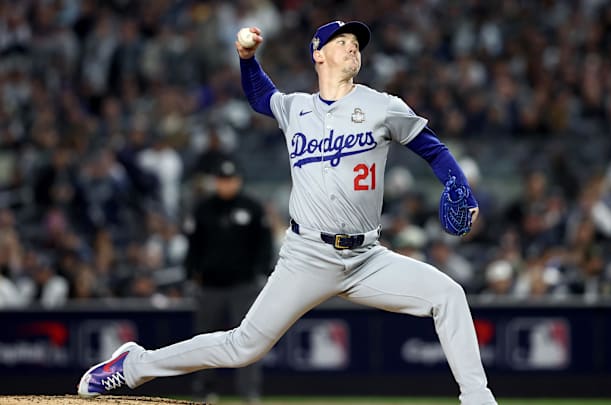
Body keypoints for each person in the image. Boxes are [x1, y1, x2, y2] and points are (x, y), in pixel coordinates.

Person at [78, 20, 498, 405]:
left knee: (448, 294)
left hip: (368, 257)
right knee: (243, 347)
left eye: (357, 44)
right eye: (343, 42)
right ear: (318, 53)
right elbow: (262, 96)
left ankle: (478, 398)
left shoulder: (382, 106)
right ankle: (132, 366)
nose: (353, 48)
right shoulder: (296, 108)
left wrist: (458, 183)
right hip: (308, 256)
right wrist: (247, 58)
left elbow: (433, 148)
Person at [184, 156, 272, 403]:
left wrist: (261, 273)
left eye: (230, 179)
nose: (226, 184)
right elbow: (193, 246)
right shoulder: (203, 209)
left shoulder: (252, 207)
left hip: (243, 286)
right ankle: (204, 390)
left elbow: (264, 245)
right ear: (216, 181)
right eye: (222, 180)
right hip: (210, 286)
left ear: (239, 181)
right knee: (204, 341)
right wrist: (191, 274)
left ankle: (249, 393)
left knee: (248, 340)